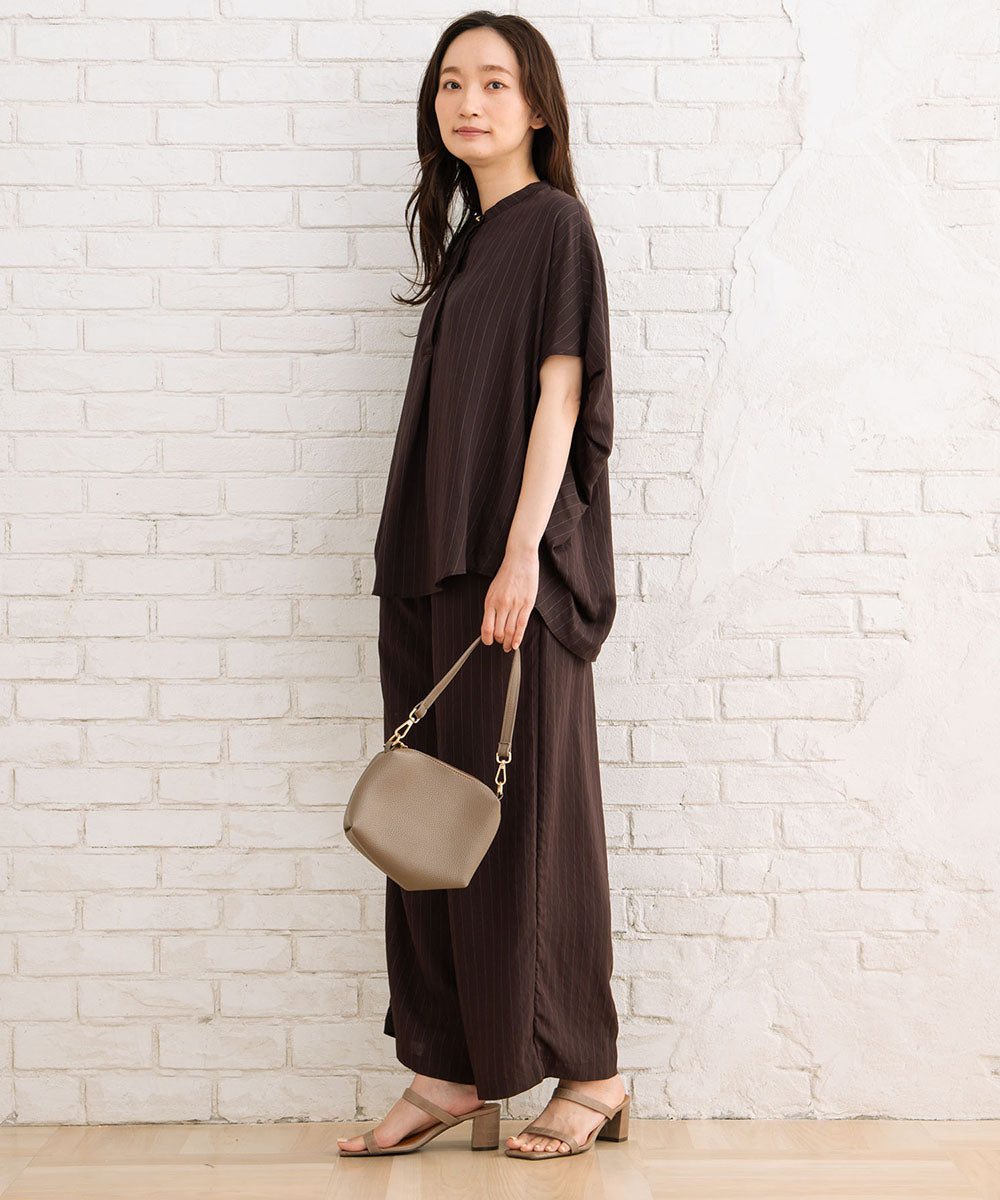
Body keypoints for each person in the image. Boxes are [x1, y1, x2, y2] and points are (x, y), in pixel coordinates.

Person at [338, 10, 627, 1160]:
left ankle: (591, 1070)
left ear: (537, 108)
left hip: (508, 574)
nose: (469, 102)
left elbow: (561, 398)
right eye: (451, 83)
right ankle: (451, 1068)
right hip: (426, 565)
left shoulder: (554, 225)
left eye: (495, 83)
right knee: (429, 827)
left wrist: (521, 554)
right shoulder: (468, 240)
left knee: (529, 827)